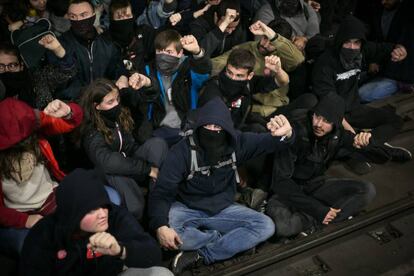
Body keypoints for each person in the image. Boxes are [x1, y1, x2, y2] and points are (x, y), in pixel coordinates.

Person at [148, 97, 296, 274]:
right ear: (199, 127)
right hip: (187, 208)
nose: (212, 132)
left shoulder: (238, 143)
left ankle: (202, 255)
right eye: (208, 127)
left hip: (224, 208)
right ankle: (228, 241)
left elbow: (271, 143)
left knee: (266, 226)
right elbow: (162, 193)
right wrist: (160, 227)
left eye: (217, 128)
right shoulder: (181, 152)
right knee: (166, 233)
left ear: (226, 129)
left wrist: (287, 134)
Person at [266, 93, 411, 237]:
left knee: (367, 190)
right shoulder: (295, 133)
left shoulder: (338, 135)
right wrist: (317, 209)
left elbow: (380, 158)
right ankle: (320, 218)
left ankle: (312, 221)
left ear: (336, 122)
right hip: (287, 193)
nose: (318, 124)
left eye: (326, 120)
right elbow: (280, 182)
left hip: (316, 185)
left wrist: (368, 145)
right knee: (283, 227)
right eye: (317, 116)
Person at [20, 168, 173, 276]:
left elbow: (153, 253)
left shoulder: (114, 216)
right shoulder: (45, 235)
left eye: (103, 205)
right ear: (74, 214)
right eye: (92, 210)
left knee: (161, 274)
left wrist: (121, 250)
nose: (102, 214)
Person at [312, 15, 407, 173]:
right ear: (339, 41)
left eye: (356, 42)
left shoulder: (364, 50)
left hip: (355, 109)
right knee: (331, 137)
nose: (352, 47)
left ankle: (367, 146)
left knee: (394, 120)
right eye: (347, 42)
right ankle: (366, 149)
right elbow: (328, 104)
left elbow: (386, 48)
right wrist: (351, 133)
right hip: (333, 116)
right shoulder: (325, 63)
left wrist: (400, 50)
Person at [0, 98, 83, 258]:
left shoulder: (31, 122)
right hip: (20, 214)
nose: (23, 143)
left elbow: (73, 121)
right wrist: (25, 220)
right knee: (41, 249)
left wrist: (68, 111)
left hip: (51, 197)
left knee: (80, 226)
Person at [80, 78, 168, 220]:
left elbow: (129, 145)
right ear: (97, 106)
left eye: (117, 99)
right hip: (109, 173)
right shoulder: (92, 131)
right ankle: (135, 223)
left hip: (128, 163)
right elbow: (108, 162)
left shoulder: (119, 115)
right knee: (135, 205)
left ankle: (157, 198)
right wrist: (146, 169)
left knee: (157, 144)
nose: (117, 104)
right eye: (110, 102)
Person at [211, 20, 315, 119]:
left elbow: (299, 60)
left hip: (278, 109)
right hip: (252, 109)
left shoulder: (285, 56)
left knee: (309, 100)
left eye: (271, 43)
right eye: (265, 38)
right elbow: (217, 63)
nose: (265, 45)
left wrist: (273, 37)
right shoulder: (246, 49)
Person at [139, 30, 211, 146]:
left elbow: (203, 75)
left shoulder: (189, 67)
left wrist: (197, 52)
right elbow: (144, 102)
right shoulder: (148, 70)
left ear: (180, 53)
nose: (163, 56)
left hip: (186, 127)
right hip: (158, 127)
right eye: (159, 51)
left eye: (169, 52)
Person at [47, 0, 125, 100]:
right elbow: (59, 85)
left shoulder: (107, 42)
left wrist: (123, 76)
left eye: (83, 15)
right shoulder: (59, 45)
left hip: (106, 101)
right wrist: (87, 95)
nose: (78, 20)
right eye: (73, 16)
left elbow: (117, 69)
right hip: (75, 106)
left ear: (93, 15)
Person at [199, 48, 288, 131]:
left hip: (240, 124)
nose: (232, 78)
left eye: (239, 76)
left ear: (250, 76)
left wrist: (278, 70)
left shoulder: (249, 83)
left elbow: (282, 81)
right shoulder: (212, 90)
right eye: (229, 73)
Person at [358, 0, 414, 102]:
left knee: (362, 95)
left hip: (400, 76)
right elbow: (374, 38)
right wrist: (373, 60)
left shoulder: (408, 15)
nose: (383, 1)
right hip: (380, 67)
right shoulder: (378, 10)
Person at [0, 37, 75, 109]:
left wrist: (59, 50)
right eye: (1, 66)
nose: (7, 70)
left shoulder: (37, 78)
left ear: (21, 66)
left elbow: (67, 72)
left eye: (12, 65)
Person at [254, 0, 320, 52]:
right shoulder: (266, 12)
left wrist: (305, 39)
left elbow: (315, 36)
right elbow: (261, 45)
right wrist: (291, 45)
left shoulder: (307, 9)